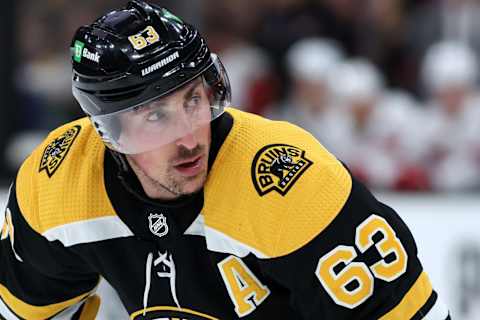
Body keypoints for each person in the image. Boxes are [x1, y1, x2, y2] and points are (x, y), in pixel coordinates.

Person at [0, 1, 450, 319]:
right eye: (156, 115)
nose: (189, 137)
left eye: (193, 100)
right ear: (109, 129)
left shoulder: (290, 181)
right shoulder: (57, 185)